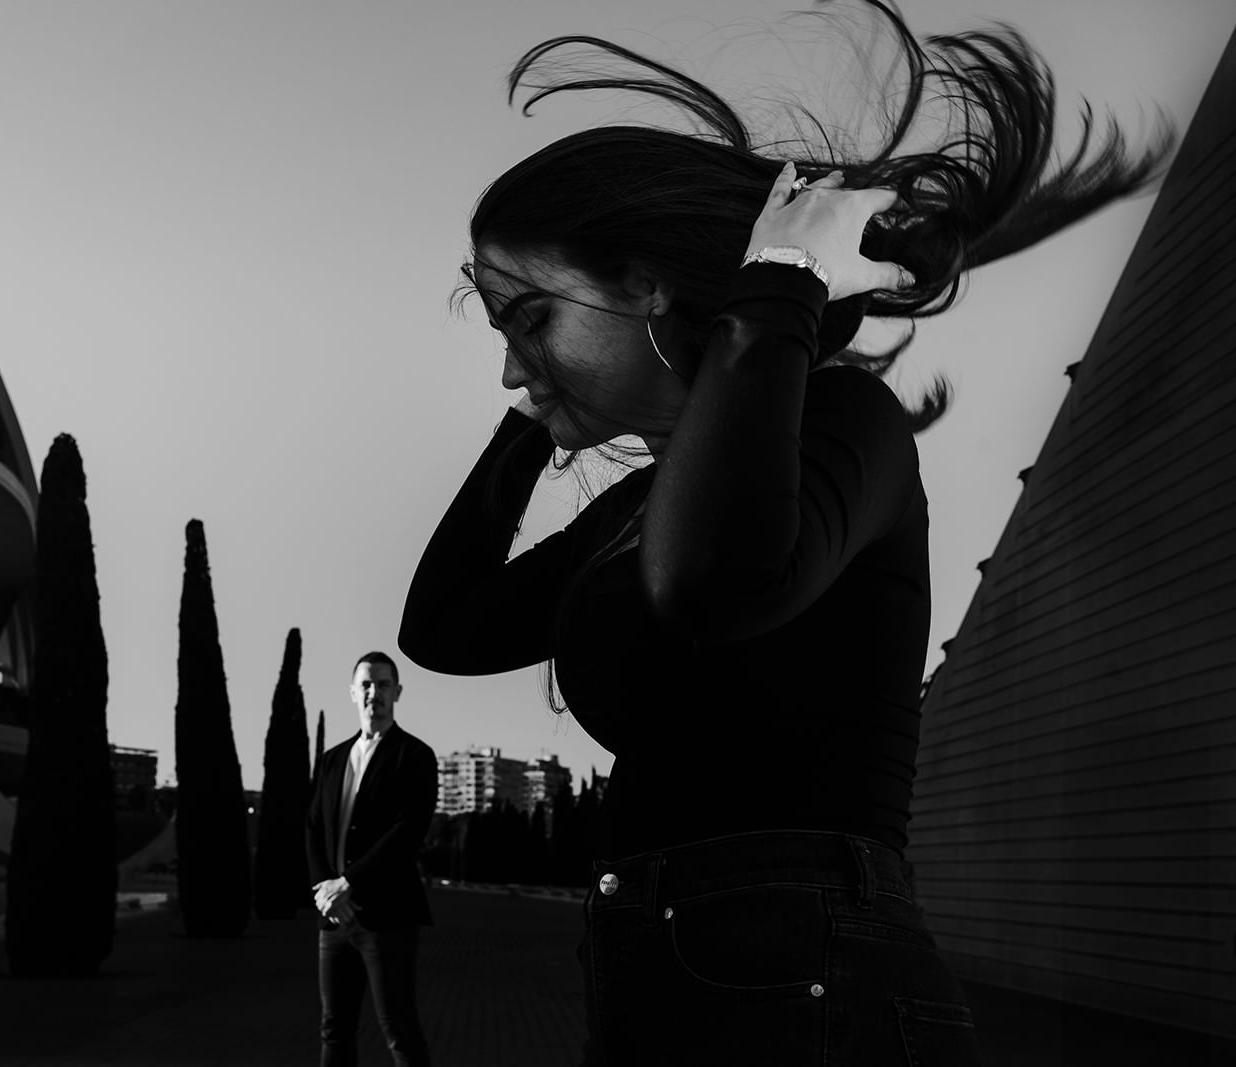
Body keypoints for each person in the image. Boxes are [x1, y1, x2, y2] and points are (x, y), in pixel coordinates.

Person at [398, 3, 1170, 1063]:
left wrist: (779, 289)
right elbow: (444, 627)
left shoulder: (843, 426)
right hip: (666, 979)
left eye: (530, 318)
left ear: (646, 285)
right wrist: (533, 408)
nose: (508, 365)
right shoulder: (648, 511)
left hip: (814, 995)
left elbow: (714, 583)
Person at [306, 651, 438, 1067]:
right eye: (365, 683)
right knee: (334, 1029)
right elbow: (312, 829)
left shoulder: (415, 756)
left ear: (397, 692)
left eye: (382, 684)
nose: (373, 692)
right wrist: (325, 892)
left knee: (398, 1029)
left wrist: (348, 884)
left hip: (388, 919)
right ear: (352, 692)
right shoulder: (331, 760)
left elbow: (408, 831)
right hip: (334, 920)